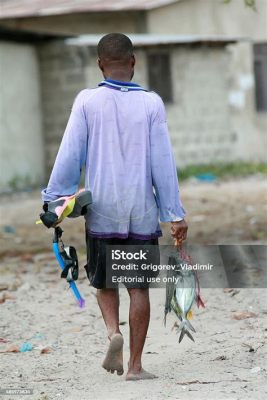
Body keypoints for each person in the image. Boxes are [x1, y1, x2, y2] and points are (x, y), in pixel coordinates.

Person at [42, 33, 188, 380]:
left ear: (99, 64)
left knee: (105, 282)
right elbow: (162, 163)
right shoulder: (151, 104)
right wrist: (175, 213)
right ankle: (135, 366)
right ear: (133, 62)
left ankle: (113, 333)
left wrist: (54, 201)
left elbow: (70, 153)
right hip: (141, 212)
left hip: (102, 211)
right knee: (138, 287)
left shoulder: (87, 101)